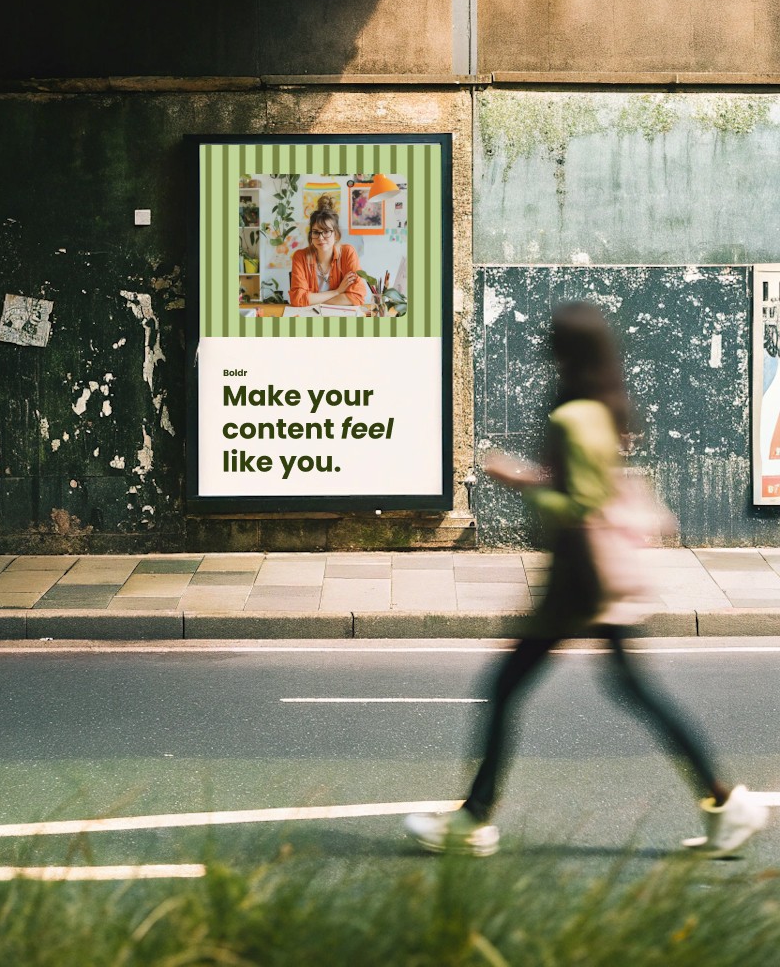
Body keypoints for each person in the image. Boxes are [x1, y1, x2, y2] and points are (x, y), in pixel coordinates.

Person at [405, 302, 767, 859]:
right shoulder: (604, 407)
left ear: (564, 351)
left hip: (580, 580)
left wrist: (518, 480)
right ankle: (725, 803)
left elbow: (578, 504)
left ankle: (473, 820)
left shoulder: (571, 415)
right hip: (594, 577)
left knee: (507, 689)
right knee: (635, 692)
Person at [289, 195, 369, 308]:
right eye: (316, 232)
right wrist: (337, 292)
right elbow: (298, 299)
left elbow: (357, 296)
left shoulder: (348, 253)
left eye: (326, 231)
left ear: (336, 234)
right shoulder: (300, 256)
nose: (321, 238)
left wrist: (314, 301)